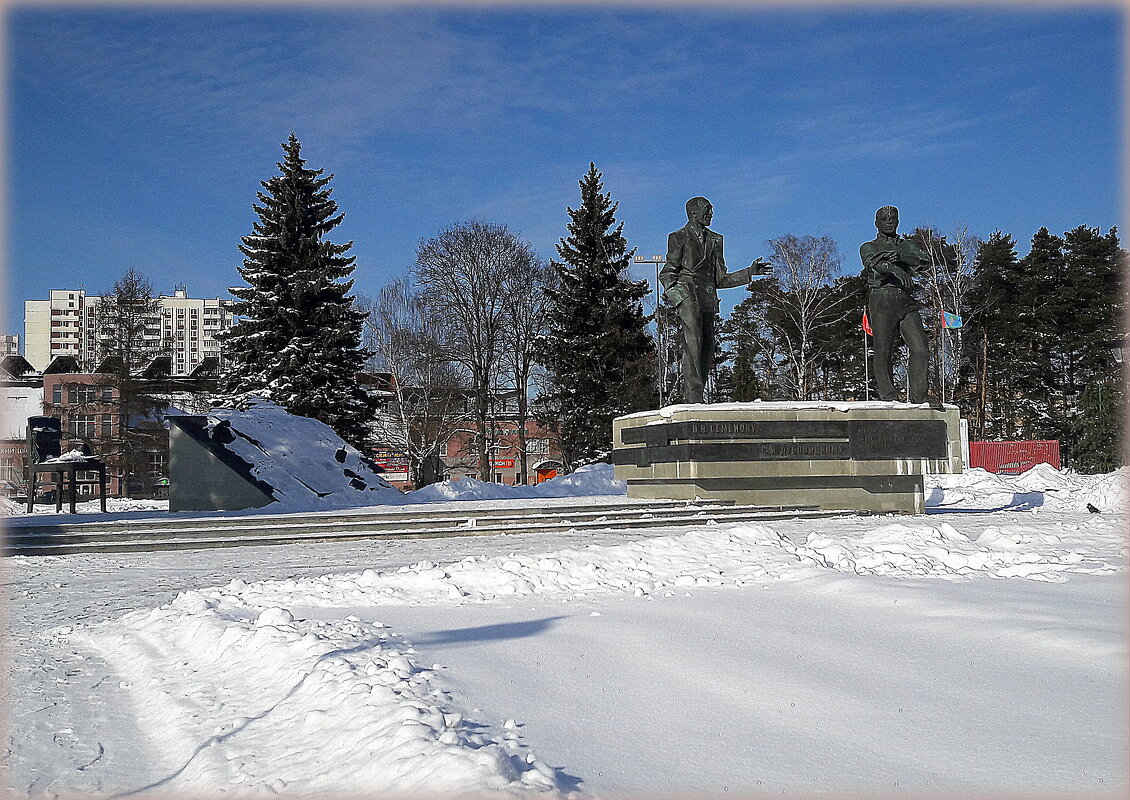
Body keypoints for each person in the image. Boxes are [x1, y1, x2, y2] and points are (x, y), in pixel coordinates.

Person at [661, 197, 771, 404]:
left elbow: (720, 278)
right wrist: (678, 298)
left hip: (708, 296)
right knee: (693, 341)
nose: (711, 214)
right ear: (693, 212)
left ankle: (698, 395)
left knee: (707, 345)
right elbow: (667, 274)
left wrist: (749, 272)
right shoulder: (678, 237)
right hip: (686, 294)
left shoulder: (716, 240)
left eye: (711, 210)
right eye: (707, 210)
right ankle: (693, 396)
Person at [859, 205, 931, 404]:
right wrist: (895, 269)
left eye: (893, 218)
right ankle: (889, 394)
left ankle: (919, 395)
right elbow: (872, 264)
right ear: (876, 223)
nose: (889, 221)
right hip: (882, 299)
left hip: (905, 301)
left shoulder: (905, 245)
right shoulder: (869, 246)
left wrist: (902, 257)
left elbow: (925, 261)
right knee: (883, 348)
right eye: (884, 218)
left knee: (920, 349)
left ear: (898, 221)